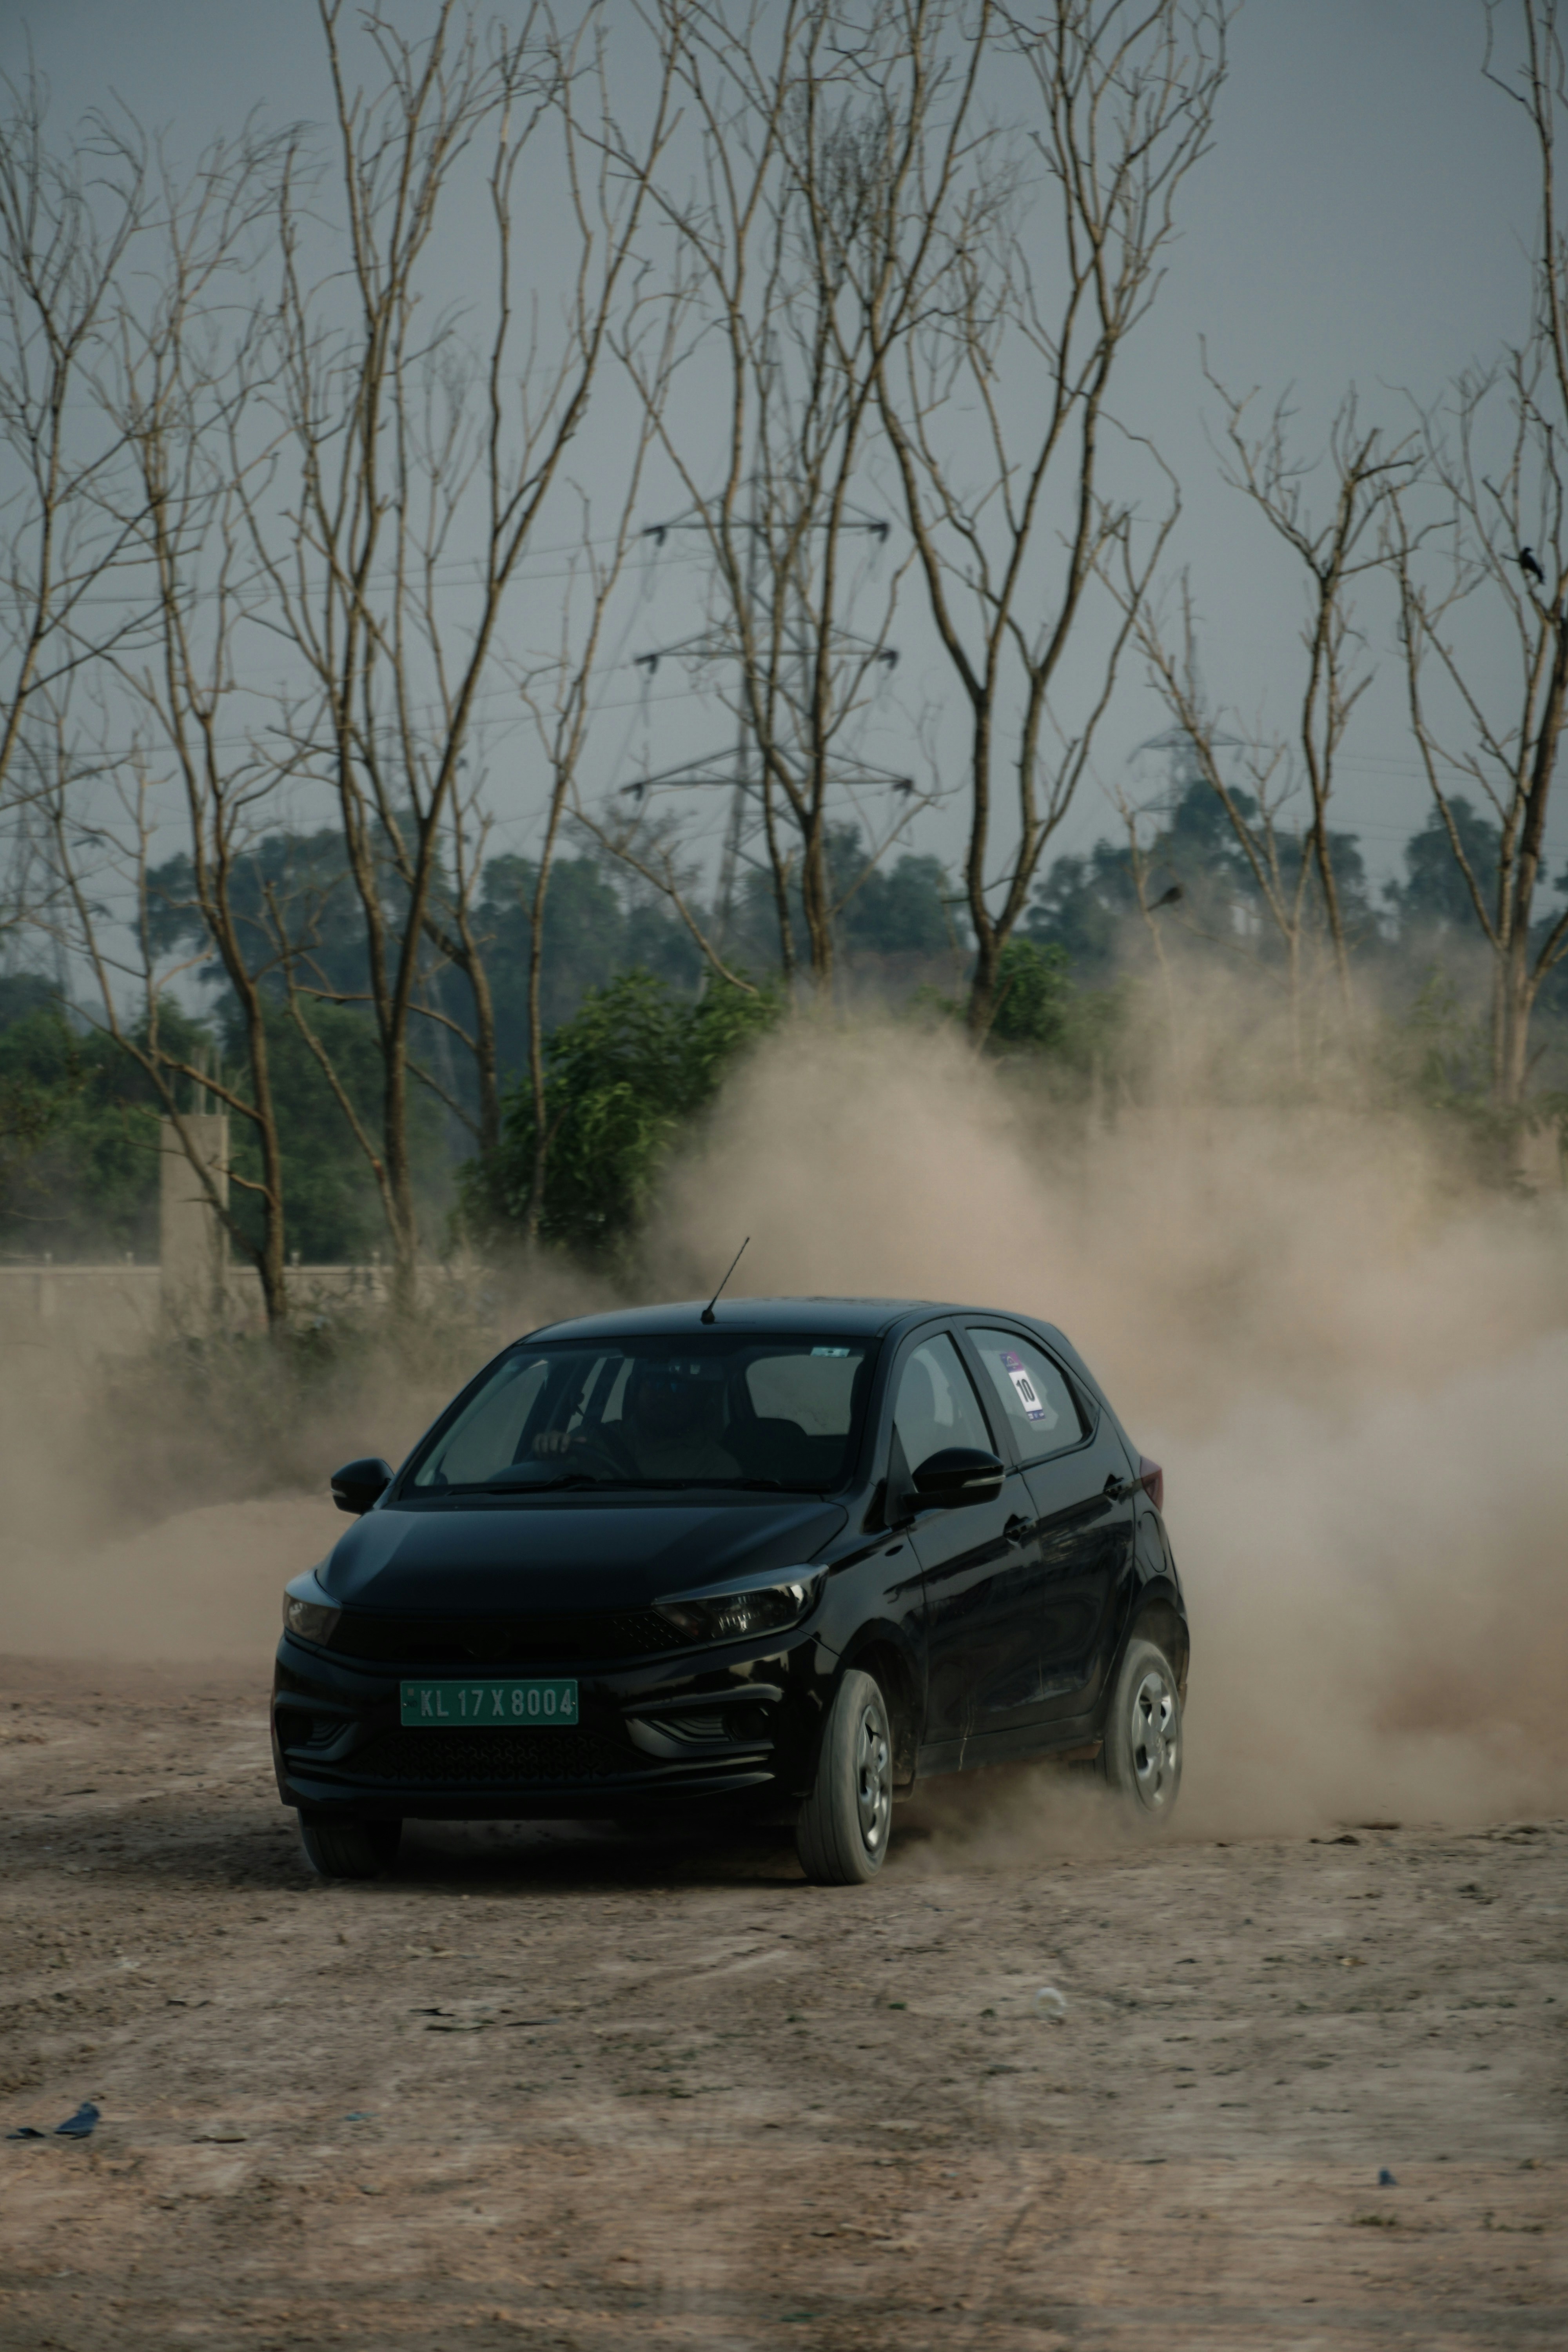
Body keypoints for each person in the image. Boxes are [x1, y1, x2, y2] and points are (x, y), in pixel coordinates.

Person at [533, 1356, 740, 1482]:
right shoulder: (591, 1438)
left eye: (679, 1387)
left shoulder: (716, 1467)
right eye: (656, 1383)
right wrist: (550, 1451)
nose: (664, 1395)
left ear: (698, 1400)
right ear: (635, 1390)